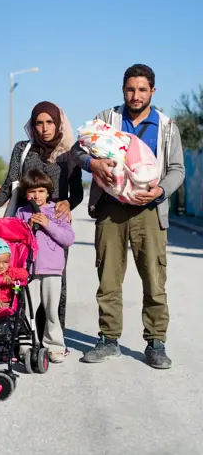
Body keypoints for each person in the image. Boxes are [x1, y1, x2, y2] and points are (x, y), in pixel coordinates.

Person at [71, 64, 185, 369]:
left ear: (152, 91)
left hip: (149, 211)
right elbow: (77, 149)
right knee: (108, 278)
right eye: (130, 89)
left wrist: (159, 192)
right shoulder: (107, 119)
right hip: (111, 210)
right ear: (123, 90)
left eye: (142, 90)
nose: (136, 95)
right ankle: (108, 340)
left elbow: (177, 170)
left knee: (154, 279)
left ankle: (156, 343)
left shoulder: (166, 126)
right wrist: (92, 165)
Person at [0, 101, 83, 347]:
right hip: (23, 225)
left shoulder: (68, 152)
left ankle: (53, 341)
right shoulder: (23, 149)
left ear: (58, 124)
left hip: (53, 224)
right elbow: (9, 185)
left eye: (49, 122)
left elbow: (76, 191)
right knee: (21, 282)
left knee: (56, 286)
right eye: (39, 123)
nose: (44, 128)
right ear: (32, 125)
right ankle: (21, 338)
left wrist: (67, 203)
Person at [16, 170, 75, 363]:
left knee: (51, 309)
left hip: (52, 270)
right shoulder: (22, 212)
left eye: (41, 191)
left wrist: (48, 224)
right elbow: (15, 239)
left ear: (48, 192)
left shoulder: (58, 210)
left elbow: (68, 238)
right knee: (27, 310)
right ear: (26, 194)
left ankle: (55, 345)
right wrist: (28, 226)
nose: (36, 196)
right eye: (32, 192)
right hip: (29, 271)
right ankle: (26, 346)